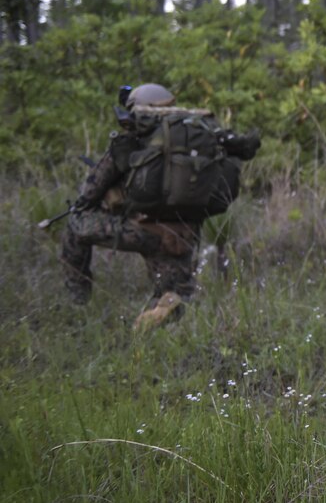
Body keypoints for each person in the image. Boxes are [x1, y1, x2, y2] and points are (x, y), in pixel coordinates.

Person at [61, 83, 260, 331]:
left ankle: (77, 301)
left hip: (141, 229)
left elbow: (88, 195)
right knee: (176, 295)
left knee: (75, 223)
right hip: (183, 234)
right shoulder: (202, 135)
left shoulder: (133, 140)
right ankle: (165, 310)